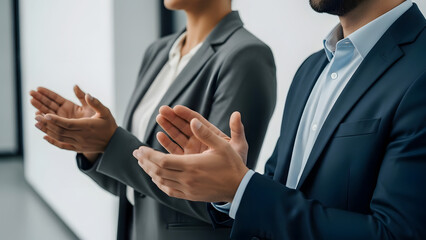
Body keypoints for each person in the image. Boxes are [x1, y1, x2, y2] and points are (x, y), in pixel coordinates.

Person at [134, 0, 426, 239]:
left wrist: (242, 188)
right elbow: (278, 193)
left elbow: (397, 234)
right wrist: (229, 186)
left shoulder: (420, 69)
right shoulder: (311, 70)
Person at [30, 0, 277, 239]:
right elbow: (132, 187)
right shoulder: (158, 52)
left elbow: (220, 196)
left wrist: (112, 143)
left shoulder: (246, 55)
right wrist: (95, 147)